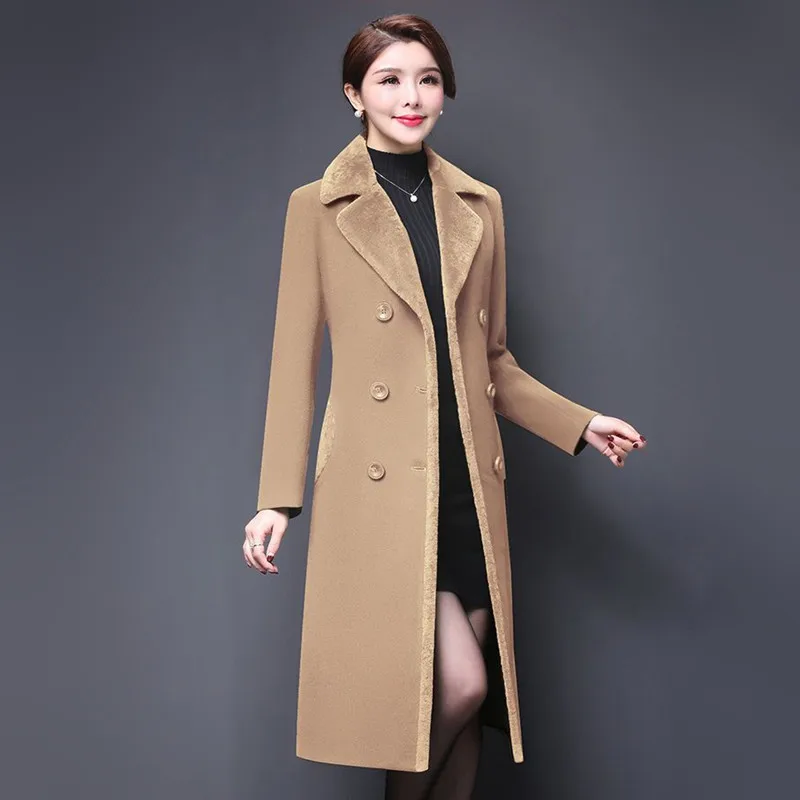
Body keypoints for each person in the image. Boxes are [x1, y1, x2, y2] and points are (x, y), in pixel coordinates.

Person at [242, 14, 647, 800]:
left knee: (462, 724)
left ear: (444, 91)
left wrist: (580, 423)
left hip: (466, 486)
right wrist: (276, 501)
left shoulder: (477, 205)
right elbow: (293, 364)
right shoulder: (316, 208)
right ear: (353, 95)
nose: (412, 96)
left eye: (427, 79)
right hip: (384, 492)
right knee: (455, 688)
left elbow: (492, 363)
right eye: (390, 79)